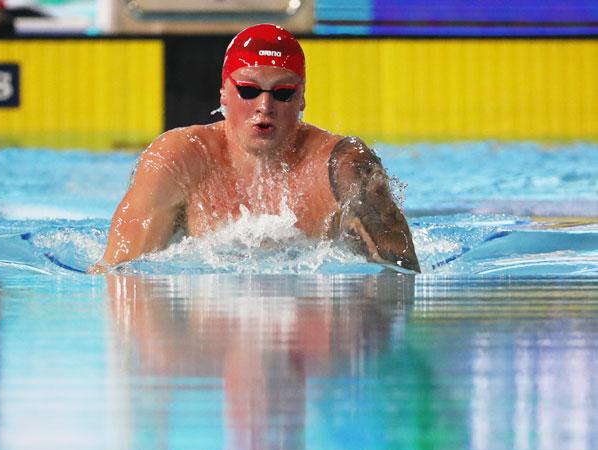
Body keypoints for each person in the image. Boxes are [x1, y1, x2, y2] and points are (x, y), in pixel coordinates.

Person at [89, 23, 420, 274]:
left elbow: (403, 276)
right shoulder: (178, 158)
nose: (265, 105)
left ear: (302, 97)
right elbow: (118, 273)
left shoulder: (342, 166)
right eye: (248, 90)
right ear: (223, 93)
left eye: (283, 92)